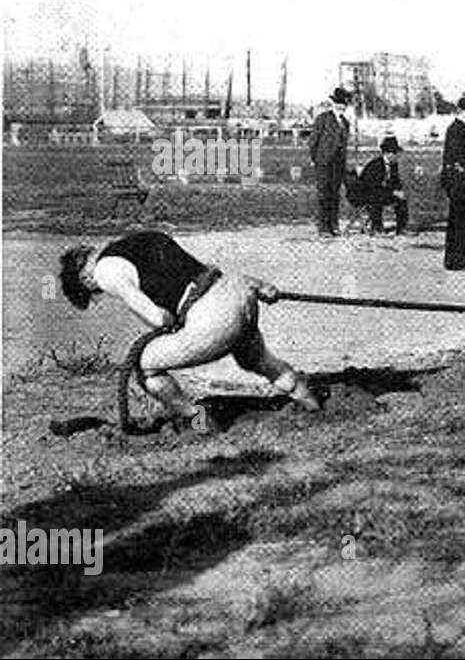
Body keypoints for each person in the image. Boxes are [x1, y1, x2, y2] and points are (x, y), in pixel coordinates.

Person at [58, 231, 320, 428]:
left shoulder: (105, 271)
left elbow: (159, 317)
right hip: (235, 289)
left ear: (84, 277)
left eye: (92, 293)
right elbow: (196, 270)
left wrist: (166, 324)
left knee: (144, 365)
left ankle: (199, 422)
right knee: (258, 360)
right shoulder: (138, 240)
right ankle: (309, 402)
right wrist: (256, 284)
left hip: (213, 315)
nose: (98, 293)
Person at [441, 97, 465, 270]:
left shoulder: (461, 129)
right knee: (459, 220)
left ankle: (458, 257)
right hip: (460, 182)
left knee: (460, 219)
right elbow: (459, 159)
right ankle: (457, 258)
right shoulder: (458, 130)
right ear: (462, 112)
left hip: (464, 180)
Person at [308, 87, 352, 237]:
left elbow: (344, 145)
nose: (341, 107)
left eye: (344, 104)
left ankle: (334, 224)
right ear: (333, 103)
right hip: (324, 163)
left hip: (338, 164)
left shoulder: (345, 123)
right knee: (324, 194)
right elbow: (313, 141)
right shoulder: (323, 119)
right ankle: (323, 227)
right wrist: (315, 159)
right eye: (339, 103)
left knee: (335, 194)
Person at [355, 136, 408, 235]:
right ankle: (377, 226)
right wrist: (393, 192)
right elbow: (372, 187)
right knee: (376, 198)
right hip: (365, 193)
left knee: (401, 199)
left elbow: (395, 182)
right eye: (394, 153)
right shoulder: (376, 165)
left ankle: (401, 228)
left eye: (396, 153)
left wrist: (398, 191)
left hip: (381, 191)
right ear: (387, 153)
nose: (396, 156)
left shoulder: (393, 165)